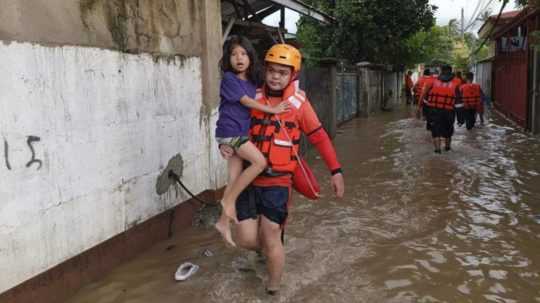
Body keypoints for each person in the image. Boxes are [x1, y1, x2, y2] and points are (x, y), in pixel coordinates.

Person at [220, 44, 345, 295]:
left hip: (278, 182)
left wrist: (336, 171)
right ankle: (265, 248)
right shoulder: (251, 95)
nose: (276, 77)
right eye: (271, 71)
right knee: (245, 238)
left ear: (293, 75)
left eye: (283, 72)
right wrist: (226, 144)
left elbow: (319, 137)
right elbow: (231, 121)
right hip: (249, 179)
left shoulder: (299, 103)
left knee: (271, 234)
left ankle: (273, 289)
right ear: (264, 71)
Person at [214, 36, 289, 247]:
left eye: (243, 54)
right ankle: (228, 203)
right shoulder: (229, 79)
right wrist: (274, 110)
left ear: (250, 57)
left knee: (234, 178)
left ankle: (222, 222)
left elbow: (275, 80)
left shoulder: (252, 81)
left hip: (238, 134)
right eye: (234, 54)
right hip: (231, 132)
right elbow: (247, 102)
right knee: (259, 162)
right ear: (228, 59)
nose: (239, 58)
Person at [417, 65, 461, 153]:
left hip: (434, 110)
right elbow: (458, 100)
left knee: (435, 130)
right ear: (451, 71)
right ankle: (447, 148)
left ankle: (437, 150)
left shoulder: (431, 81)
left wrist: (419, 108)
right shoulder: (457, 82)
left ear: (441, 71)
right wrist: (460, 117)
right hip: (449, 111)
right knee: (448, 130)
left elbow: (423, 95)